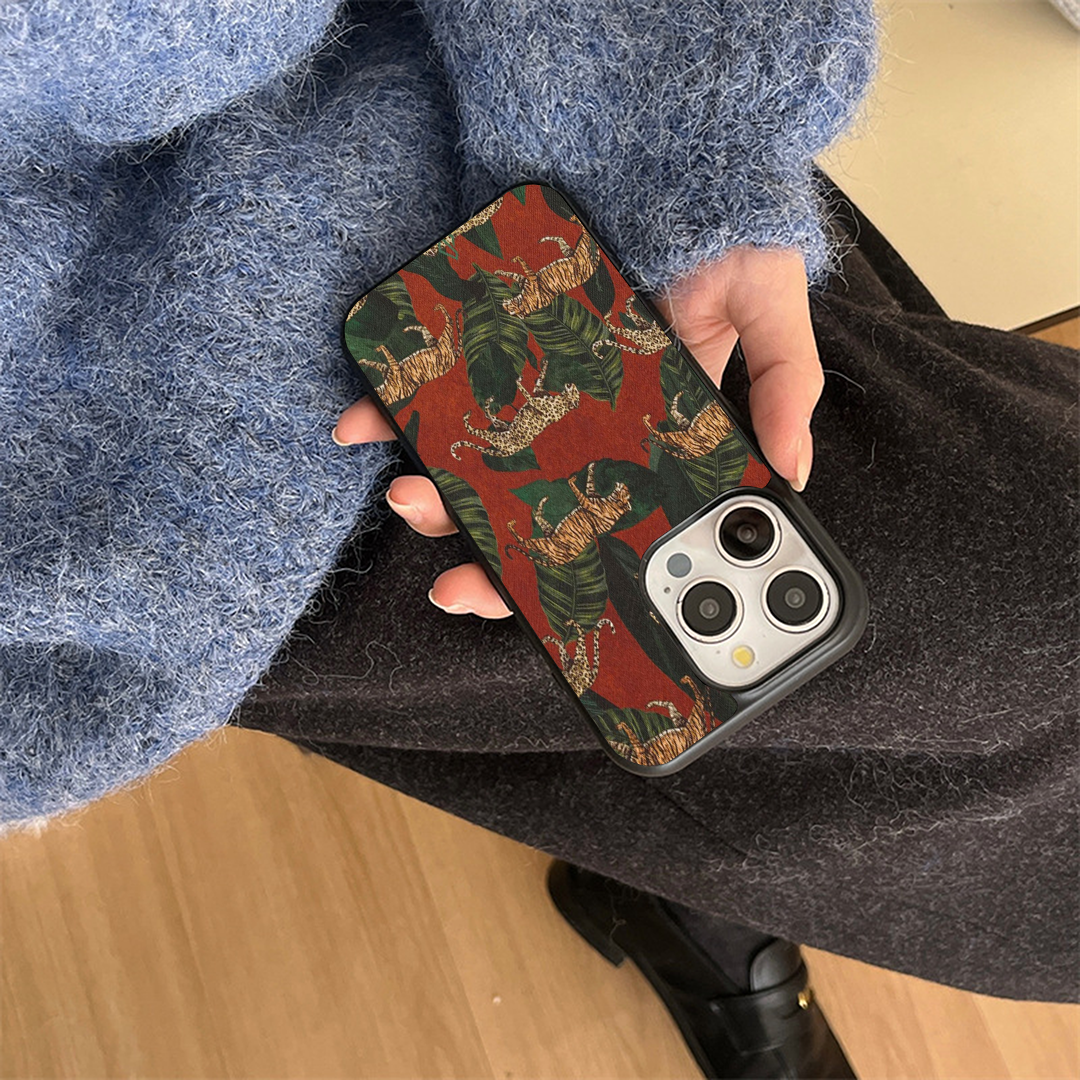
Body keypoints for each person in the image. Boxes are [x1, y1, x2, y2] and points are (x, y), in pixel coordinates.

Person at [2, 1, 1076, 1077]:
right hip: (139, 492)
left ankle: (694, 903)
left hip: (538, 148)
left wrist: (674, 138)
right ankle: (698, 906)